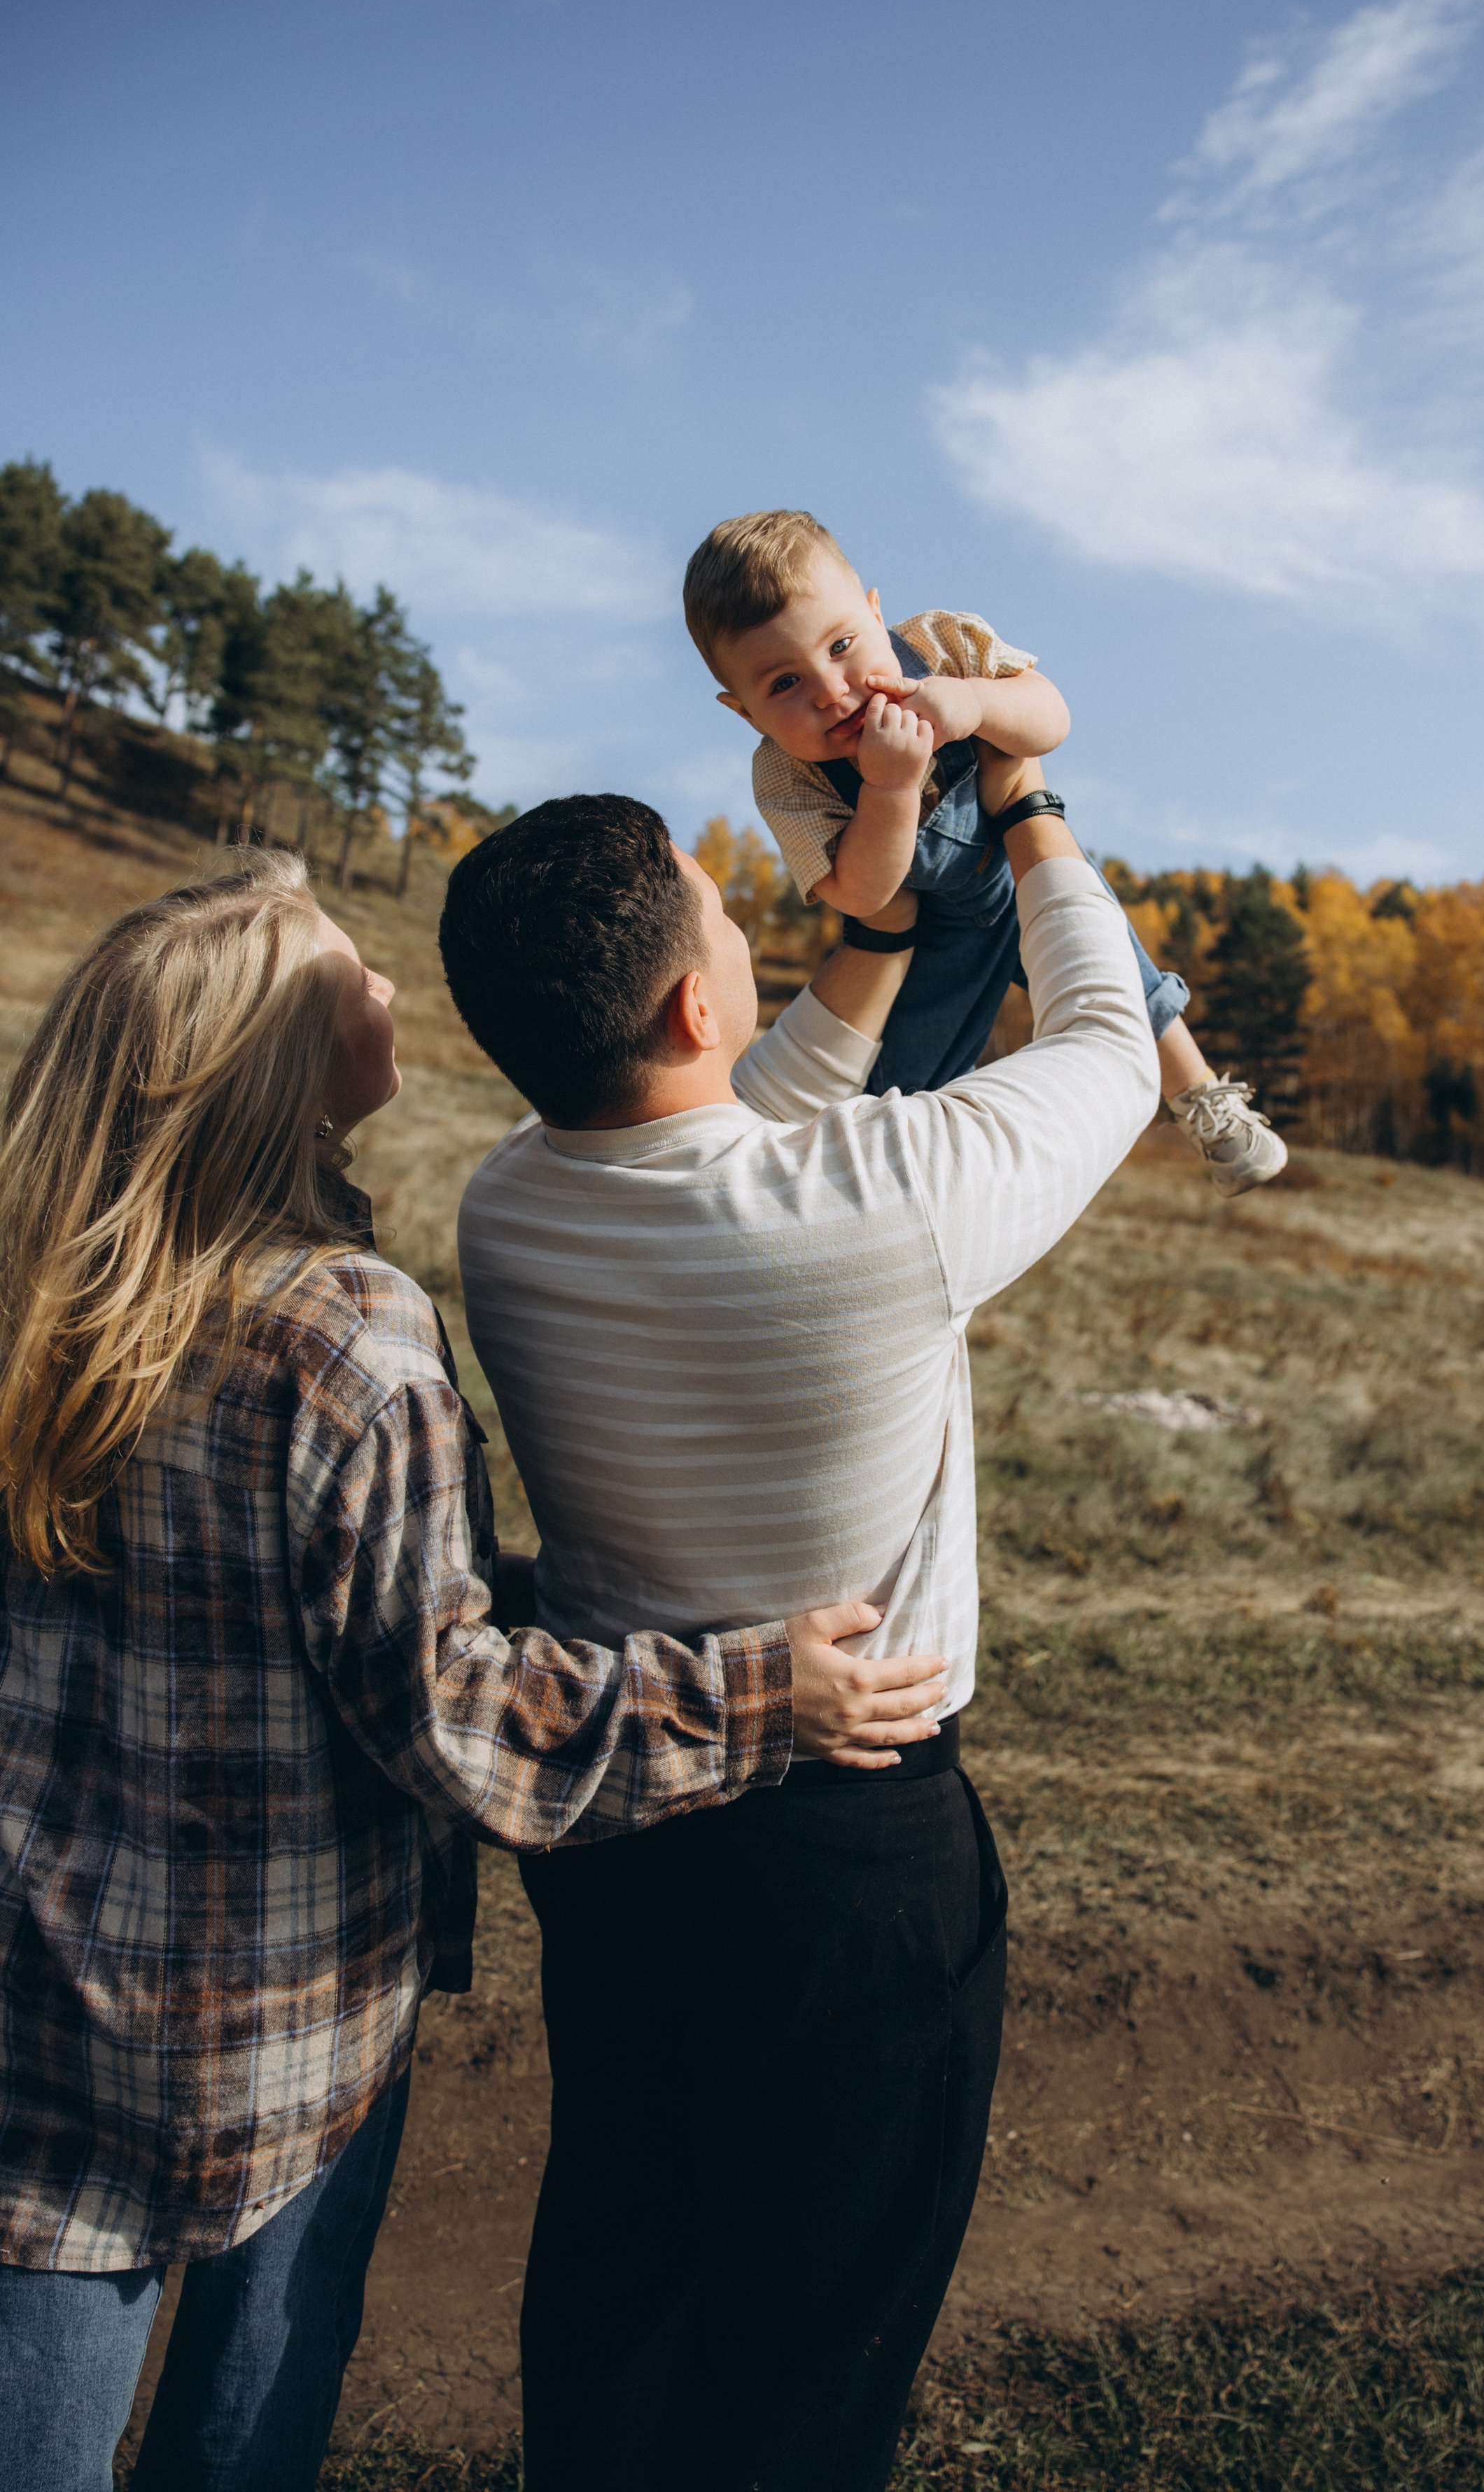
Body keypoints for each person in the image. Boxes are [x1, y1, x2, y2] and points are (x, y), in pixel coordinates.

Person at [0, 850, 945, 2492]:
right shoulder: (344, 1335)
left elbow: (228, 1603)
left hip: (31, 2022)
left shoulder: (36, 1300)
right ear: (273, 1068)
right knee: (241, 2438)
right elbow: (449, 1714)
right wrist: (752, 1694)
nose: (385, 986)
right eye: (345, 971)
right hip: (280, 2027)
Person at [442, 775, 1166, 2492]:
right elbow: (1115, 1041)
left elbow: (717, 1115)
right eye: (718, 908)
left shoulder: (509, 1207)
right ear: (696, 996)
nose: (736, 919)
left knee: (624, 2258)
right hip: (840, 1851)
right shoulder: (890, 1201)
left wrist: (865, 937)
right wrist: (1032, 803)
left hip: (620, 1820)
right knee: (806, 2347)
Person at [685, 505, 1288, 1196]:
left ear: (876, 613)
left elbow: (1050, 716)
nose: (832, 690)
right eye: (784, 684)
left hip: (1020, 865)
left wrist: (974, 704)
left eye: (843, 644)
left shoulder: (943, 648)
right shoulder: (786, 777)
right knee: (913, 1073)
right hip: (937, 934)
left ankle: (1202, 1103)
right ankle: (906, 1195)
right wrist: (889, 788)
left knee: (1122, 974)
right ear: (744, 713)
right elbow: (860, 894)